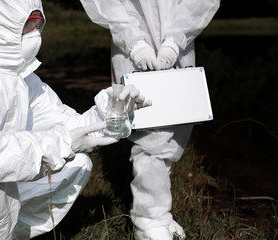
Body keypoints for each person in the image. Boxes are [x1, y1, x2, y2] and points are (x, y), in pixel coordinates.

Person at [0, 0, 152, 239]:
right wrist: (60, 144)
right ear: (0, 24)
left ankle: (4, 233)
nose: (35, 35)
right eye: (27, 25)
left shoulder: (20, 78)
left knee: (74, 164)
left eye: (39, 25)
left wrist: (110, 111)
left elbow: (66, 127)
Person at [80, 0, 220, 239]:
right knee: (151, 135)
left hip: (180, 47)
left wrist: (175, 41)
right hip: (133, 48)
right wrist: (135, 44)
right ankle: (149, 220)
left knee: (176, 127)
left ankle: (160, 213)